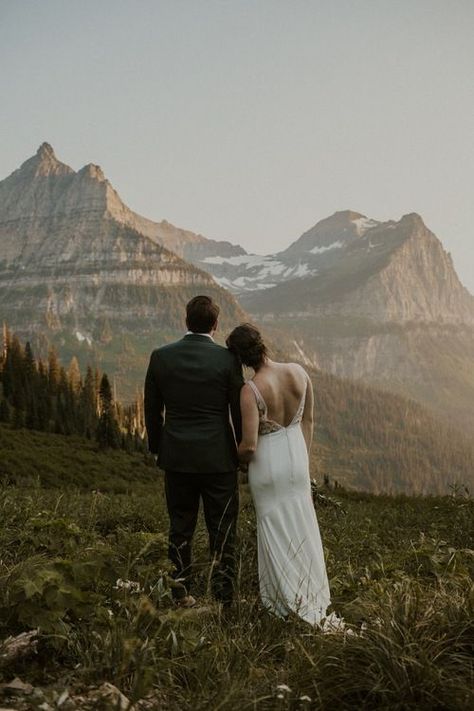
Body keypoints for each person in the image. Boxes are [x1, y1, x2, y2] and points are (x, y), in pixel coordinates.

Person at [226, 323, 343, 630]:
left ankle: (283, 604)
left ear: (240, 358)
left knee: (274, 530)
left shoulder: (250, 390)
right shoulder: (298, 373)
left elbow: (250, 446)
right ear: (262, 344)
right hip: (297, 461)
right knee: (303, 526)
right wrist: (301, 458)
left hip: (268, 467)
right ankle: (313, 595)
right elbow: (309, 420)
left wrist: (234, 458)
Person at [144, 295, 243, 607]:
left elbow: (152, 410)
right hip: (219, 458)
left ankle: (179, 592)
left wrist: (159, 448)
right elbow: (237, 411)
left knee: (180, 526)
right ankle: (223, 597)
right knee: (223, 527)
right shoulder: (228, 360)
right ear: (215, 325)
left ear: (185, 321)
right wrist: (240, 450)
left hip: (177, 457)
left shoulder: (161, 357)